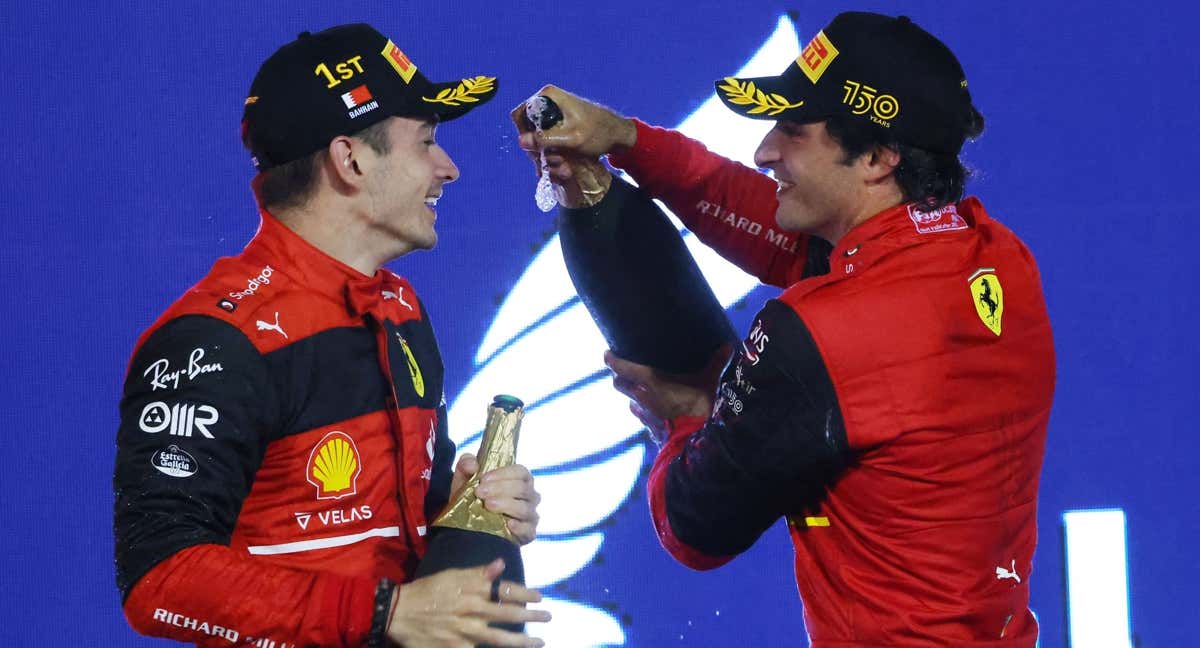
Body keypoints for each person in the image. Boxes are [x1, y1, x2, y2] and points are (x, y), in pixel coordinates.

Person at [517, 11, 1055, 646]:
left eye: (794, 131)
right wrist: (630, 141)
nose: (765, 149)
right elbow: (780, 235)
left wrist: (684, 416)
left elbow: (693, 528)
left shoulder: (820, 336)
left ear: (878, 156)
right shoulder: (995, 254)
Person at [114, 24, 549, 648]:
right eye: (426, 142)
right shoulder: (214, 340)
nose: (447, 168)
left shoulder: (400, 308)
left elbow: (401, 533)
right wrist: (385, 613)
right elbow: (160, 578)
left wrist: (464, 509)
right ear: (350, 160)